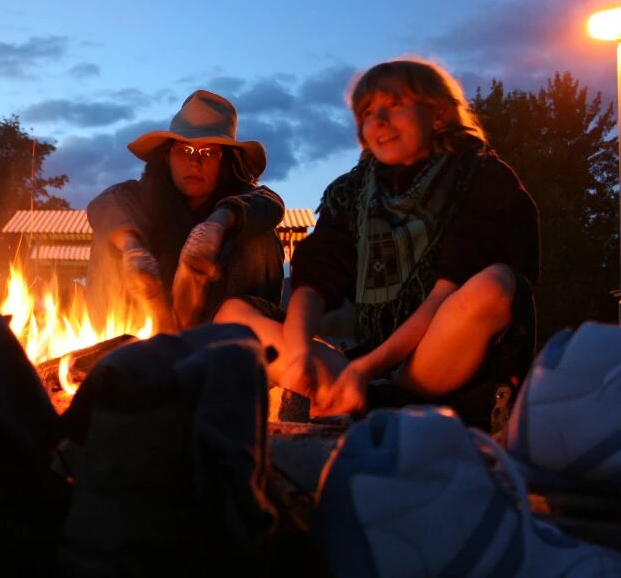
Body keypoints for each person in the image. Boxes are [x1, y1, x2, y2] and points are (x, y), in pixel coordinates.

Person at [215, 59, 539, 427]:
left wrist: (364, 369)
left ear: (437, 114)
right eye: (368, 113)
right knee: (233, 317)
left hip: (443, 362)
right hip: (373, 364)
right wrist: (300, 354)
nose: (379, 121)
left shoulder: (481, 178)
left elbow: (444, 294)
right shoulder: (351, 192)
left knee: (494, 285)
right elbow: (316, 280)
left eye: (395, 105)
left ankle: (376, 398)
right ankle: (357, 397)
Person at [86, 90, 284, 332]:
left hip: (214, 336)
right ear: (167, 156)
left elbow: (269, 202)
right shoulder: (145, 195)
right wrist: (133, 249)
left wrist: (216, 224)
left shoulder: (243, 197)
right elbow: (106, 203)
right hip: (142, 328)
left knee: (260, 236)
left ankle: (242, 343)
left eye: (209, 152)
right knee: (111, 235)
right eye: (184, 150)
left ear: (225, 162)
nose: (195, 163)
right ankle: (113, 348)